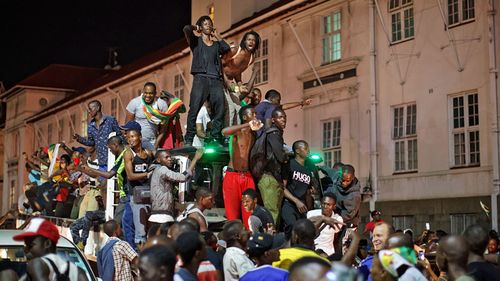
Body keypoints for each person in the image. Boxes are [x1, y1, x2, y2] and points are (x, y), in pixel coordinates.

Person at [183, 15, 231, 146]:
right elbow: (186, 28)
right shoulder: (196, 42)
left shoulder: (216, 45)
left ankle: (216, 136)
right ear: (200, 27)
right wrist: (195, 27)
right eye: (205, 24)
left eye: (210, 23)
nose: (208, 25)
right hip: (200, 78)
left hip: (215, 79)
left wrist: (218, 36)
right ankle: (188, 138)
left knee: (220, 108)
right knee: (194, 108)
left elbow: (226, 49)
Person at [221, 105, 263, 228]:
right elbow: (224, 132)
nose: (255, 116)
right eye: (253, 114)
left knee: (250, 216)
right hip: (233, 175)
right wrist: (247, 124)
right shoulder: (238, 131)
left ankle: (250, 243)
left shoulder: (255, 134)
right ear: (245, 117)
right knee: (232, 216)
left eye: (256, 114)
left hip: (248, 176)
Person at [12, 218, 88, 281]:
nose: (25, 250)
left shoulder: (36, 263)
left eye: (30, 245)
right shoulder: (78, 272)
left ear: (47, 244)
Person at [76, 136, 127, 225]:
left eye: (110, 148)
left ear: (115, 145)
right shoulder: (120, 158)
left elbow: (108, 175)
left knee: (115, 224)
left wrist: (89, 169)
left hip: (127, 195)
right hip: (124, 195)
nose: (110, 151)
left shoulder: (125, 155)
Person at [253, 108, 288, 225]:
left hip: (270, 177)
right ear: (273, 120)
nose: (283, 119)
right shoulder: (274, 133)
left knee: (274, 212)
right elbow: (281, 157)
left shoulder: (272, 132)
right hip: (270, 177)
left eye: (284, 117)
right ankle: (270, 241)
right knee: (272, 213)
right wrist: (286, 157)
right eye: (280, 117)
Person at [149, 148, 204, 223]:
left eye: (170, 157)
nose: (170, 159)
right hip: (162, 215)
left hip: (157, 213)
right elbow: (183, 177)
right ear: (158, 160)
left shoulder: (155, 170)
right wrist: (195, 159)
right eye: (166, 157)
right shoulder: (162, 169)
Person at [123, 128, 154, 248]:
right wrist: (147, 174)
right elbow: (130, 176)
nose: (130, 139)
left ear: (140, 137)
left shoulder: (148, 153)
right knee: (139, 229)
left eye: (133, 136)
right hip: (135, 196)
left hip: (149, 194)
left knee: (149, 225)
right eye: (128, 137)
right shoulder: (129, 154)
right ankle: (138, 255)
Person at [74, 100, 122, 170]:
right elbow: (91, 142)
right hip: (102, 162)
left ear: (97, 108)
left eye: (90, 109)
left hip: (114, 159)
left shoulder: (110, 120)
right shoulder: (90, 126)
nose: (89, 111)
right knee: (102, 180)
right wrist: (80, 139)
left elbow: (120, 136)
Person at [282, 140, 315, 238]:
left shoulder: (308, 170)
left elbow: (307, 192)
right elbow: (282, 188)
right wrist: (296, 201)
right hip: (289, 203)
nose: (308, 151)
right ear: (297, 151)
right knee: (291, 228)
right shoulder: (289, 164)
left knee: (304, 232)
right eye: (305, 148)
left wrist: (309, 209)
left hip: (302, 207)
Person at [329, 164, 361, 254]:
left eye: (348, 181)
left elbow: (348, 214)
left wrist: (333, 218)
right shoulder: (337, 177)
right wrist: (319, 167)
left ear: (353, 178)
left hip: (347, 223)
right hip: (336, 218)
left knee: (341, 247)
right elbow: (329, 171)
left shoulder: (354, 196)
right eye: (343, 180)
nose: (344, 183)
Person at [126, 82, 168, 150]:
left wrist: (156, 143)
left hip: (152, 141)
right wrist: (130, 142)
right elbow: (128, 126)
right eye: (146, 93)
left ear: (155, 93)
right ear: (143, 91)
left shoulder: (161, 105)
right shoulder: (135, 103)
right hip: (136, 141)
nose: (148, 95)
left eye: (151, 93)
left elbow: (164, 129)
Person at [307, 192, 344, 257]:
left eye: (328, 205)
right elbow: (309, 232)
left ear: (334, 206)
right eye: (323, 203)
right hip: (311, 250)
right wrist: (322, 219)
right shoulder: (311, 214)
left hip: (327, 253)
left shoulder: (338, 219)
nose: (325, 206)